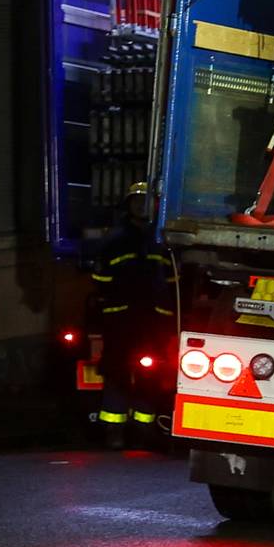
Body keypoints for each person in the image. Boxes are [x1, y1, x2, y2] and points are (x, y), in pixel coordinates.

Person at [85, 183, 175, 444]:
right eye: (136, 200)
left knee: (151, 372)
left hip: (153, 319)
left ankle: (143, 426)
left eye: (145, 200)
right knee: (117, 371)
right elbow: (101, 277)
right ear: (128, 205)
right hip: (121, 319)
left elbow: (173, 281)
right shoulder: (115, 240)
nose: (141, 205)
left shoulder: (162, 240)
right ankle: (114, 429)